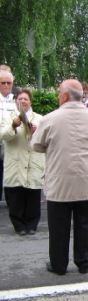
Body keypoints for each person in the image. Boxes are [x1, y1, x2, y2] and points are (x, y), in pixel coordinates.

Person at [31, 79, 88, 275]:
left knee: (58, 228)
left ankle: (59, 265)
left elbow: (35, 145)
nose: (59, 96)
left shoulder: (49, 119)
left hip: (60, 184)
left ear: (65, 96)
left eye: (60, 93)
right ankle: (83, 262)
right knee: (84, 225)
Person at [1, 89, 45, 235]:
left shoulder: (40, 118)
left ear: (30, 102)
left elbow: (46, 139)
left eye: (26, 99)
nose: (23, 101)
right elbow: (3, 136)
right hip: (16, 161)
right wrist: (13, 126)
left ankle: (32, 224)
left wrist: (37, 131)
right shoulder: (8, 118)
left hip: (34, 161)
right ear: (16, 102)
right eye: (20, 99)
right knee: (15, 194)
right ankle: (19, 226)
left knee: (32, 194)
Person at [0, 70, 17, 203]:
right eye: (3, 83)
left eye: (9, 83)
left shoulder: (16, 100)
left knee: (10, 172)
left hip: (11, 143)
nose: (6, 85)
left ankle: (11, 201)